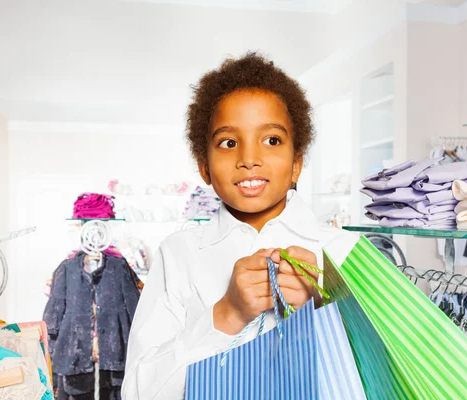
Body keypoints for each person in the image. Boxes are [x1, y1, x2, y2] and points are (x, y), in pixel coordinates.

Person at [121, 52, 356, 399]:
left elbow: (381, 378)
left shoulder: (343, 252)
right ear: (204, 166)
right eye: (229, 143)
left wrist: (321, 307)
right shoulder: (178, 255)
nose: (249, 159)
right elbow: (139, 393)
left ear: (296, 164)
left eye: (272, 140)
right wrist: (226, 315)